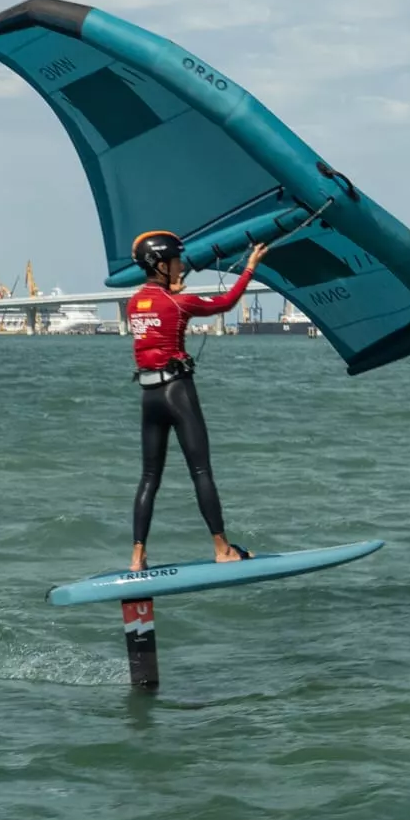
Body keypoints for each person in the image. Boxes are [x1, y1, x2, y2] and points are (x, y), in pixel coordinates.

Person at [125, 229, 269, 572]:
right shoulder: (180, 301)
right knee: (201, 470)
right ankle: (222, 548)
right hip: (177, 392)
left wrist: (171, 290)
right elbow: (225, 303)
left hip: (149, 397)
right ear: (160, 265)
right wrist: (250, 267)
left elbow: (158, 308)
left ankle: (137, 557)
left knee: (149, 477)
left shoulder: (134, 303)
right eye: (175, 263)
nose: (179, 269)